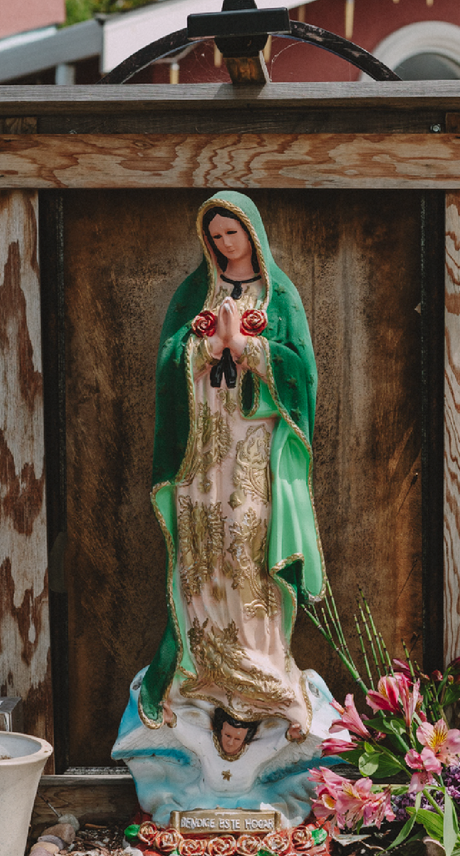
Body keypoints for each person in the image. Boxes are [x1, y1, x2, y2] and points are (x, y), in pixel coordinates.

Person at [134, 192, 329, 742]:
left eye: (232, 234)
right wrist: (202, 350)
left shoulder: (279, 295)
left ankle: (262, 671)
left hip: (251, 447)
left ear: (252, 234)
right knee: (203, 550)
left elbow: (303, 376)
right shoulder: (196, 291)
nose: (223, 244)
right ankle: (203, 669)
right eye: (215, 236)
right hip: (201, 448)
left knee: (247, 547)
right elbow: (170, 362)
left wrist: (248, 347)